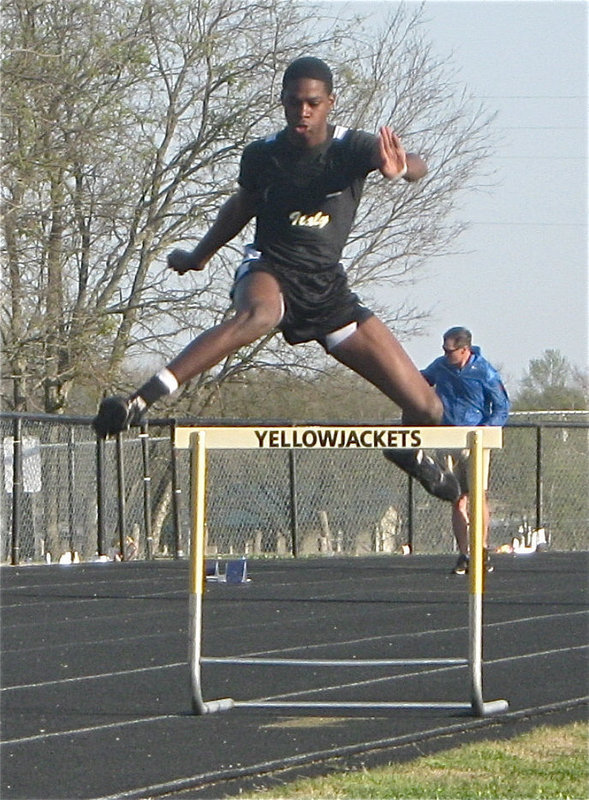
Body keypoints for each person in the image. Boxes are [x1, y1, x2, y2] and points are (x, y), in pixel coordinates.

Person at [93, 56, 460, 502]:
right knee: (262, 314)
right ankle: (141, 399)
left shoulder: (352, 148)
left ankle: (407, 452)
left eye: (312, 103)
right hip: (270, 267)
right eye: (293, 104)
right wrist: (198, 255)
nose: (302, 113)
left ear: (329, 103)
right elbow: (241, 206)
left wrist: (401, 170)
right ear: (283, 103)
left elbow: (416, 163)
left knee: (427, 407)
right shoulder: (264, 154)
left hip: (326, 290)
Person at [420, 327, 511, 574]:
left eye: (451, 351)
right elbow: (420, 382)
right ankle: (464, 553)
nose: (446, 355)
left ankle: (481, 550)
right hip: (447, 437)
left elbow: (502, 407)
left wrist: (486, 430)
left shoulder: (485, 372)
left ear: (464, 349)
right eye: (444, 350)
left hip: (475, 440)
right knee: (457, 498)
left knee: (478, 496)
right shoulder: (440, 366)